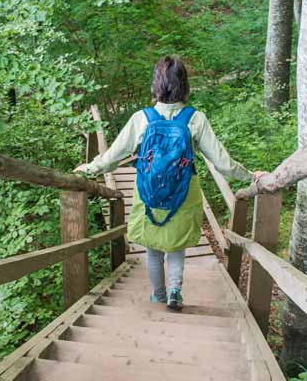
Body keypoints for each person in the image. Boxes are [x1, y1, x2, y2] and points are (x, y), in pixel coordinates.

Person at [75, 56, 265, 310]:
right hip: (184, 191)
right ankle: (175, 290)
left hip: (147, 191)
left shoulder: (141, 118)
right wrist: (251, 175)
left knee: (153, 248)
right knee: (176, 245)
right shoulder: (196, 119)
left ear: (156, 83)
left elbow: (112, 158)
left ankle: (159, 294)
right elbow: (222, 162)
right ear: (184, 84)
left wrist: (88, 169)